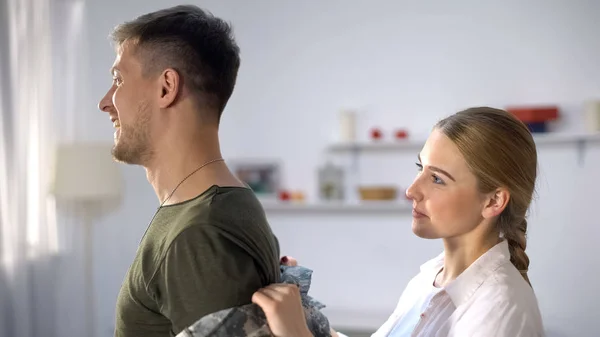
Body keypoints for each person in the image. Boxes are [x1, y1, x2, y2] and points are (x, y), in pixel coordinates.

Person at [252, 107, 545, 337]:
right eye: (421, 167)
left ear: (493, 201)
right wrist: (303, 314)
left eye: (438, 179)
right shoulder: (428, 281)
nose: (411, 190)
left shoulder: (501, 307)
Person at [97, 5, 281, 337]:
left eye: (118, 80)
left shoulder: (200, 235)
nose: (106, 101)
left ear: (166, 87)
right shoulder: (214, 208)